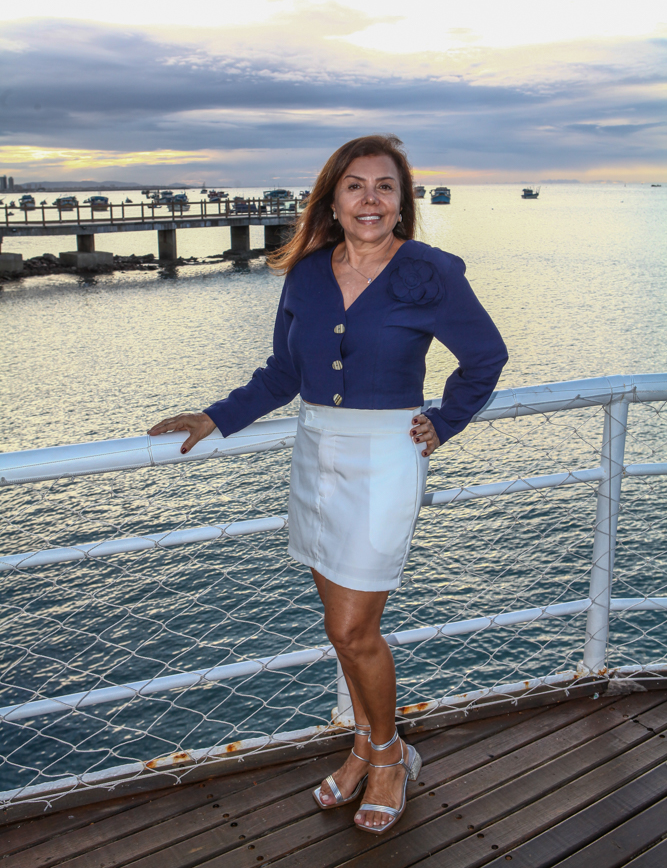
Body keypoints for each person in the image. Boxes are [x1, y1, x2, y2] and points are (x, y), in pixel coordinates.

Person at [148, 135, 508, 834]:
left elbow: (485, 357)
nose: (370, 199)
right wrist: (215, 417)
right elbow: (283, 373)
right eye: (354, 186)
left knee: (353, 627)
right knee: (338, 627)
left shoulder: (430, 272)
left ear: (401, 202)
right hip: (316, 452)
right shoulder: (308, 274)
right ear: (332, 201)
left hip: (386, 459)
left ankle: (389, 757)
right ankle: (367, 746)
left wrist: (445, 421)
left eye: (384, 186)